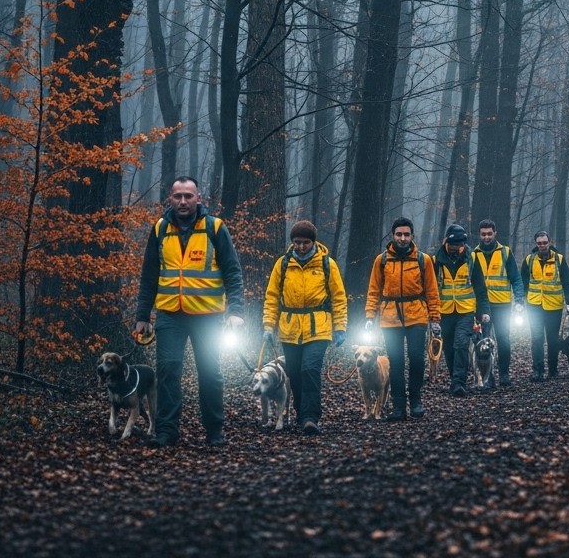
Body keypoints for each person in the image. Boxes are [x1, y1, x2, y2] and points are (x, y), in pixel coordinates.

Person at [133, 176, 245, 448]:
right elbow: (149, 275)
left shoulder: (214, 228)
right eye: (177, 196)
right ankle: (167, 432)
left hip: (207, 316)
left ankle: (215, 432)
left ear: (199, 198)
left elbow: (233, 271)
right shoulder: (160, 229)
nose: (183, 201)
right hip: (170, 314)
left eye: (188, 196)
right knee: (168, 370)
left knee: (210, 372)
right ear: (170, 199)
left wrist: (236, 311)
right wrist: (142, 316)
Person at [261, 220, 348, 435]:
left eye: (305, 243)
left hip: (319, 327)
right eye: (297, 242)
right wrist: (268, 326)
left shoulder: (327, 264)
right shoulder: (282, 264)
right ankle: (301, 414)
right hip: (289, 329)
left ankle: (310, 417)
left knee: (310, 369)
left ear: (313, 242)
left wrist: (340, 327)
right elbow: (272, 297)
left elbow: (338, 298)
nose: (301, 247)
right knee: (294, 372)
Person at [365, 217, 441, 420]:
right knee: (395, 362)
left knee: (417, 360)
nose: (402, 238)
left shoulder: (423, 260)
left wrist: (434, 318)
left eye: (406, 234)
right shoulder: (381, 261)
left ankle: (416, 400)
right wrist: (370, 316)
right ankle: (399, 406)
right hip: (390, 317)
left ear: (412, 236)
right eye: (399, 234)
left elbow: (432, 291)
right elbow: (374, 291)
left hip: (417, 315)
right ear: (393, 235)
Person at [433, 224, 490, 396]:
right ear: (445, 243)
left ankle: (459, 382)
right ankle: (454, 378)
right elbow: (431, 287)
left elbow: (480, 287)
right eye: (453, 245)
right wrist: (432, 313)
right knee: (449, 348)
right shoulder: (436, 260)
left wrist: (484, 311)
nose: (457, 249)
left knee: (461, 344)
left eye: (460, 245)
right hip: (445, 311)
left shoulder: (471, 258)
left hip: (466, 310)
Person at [472, 219, 524, 386]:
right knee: (483, 342)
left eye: (489, 234)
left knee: (503, 339)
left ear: (495, 233)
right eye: (483, 234)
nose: (486, 237)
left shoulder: (505, 252)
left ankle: (504, 374)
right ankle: (486, 377)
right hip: (482, 306)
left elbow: (516, 278)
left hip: (502, 304)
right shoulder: (473, 254)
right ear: (479, 235)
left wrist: (519, 300)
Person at [520, 231, 569, 382]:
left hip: (554, 306)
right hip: (534, 305)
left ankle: (553, 370)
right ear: (536, 244)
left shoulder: (559, 260)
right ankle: (537, 371)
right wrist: (519, 302)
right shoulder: (529, 260)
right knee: (536, 337)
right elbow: (523, 282)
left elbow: (567, 282)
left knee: (552, 339)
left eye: (544, 243)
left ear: (550, 242)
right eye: (539, 243)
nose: (542, 245)